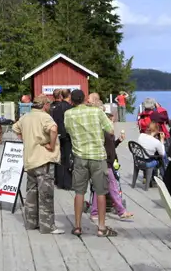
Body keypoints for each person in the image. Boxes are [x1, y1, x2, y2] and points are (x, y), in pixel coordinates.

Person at [65, 89, 117, 237]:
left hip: (80, 157)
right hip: (98, 156)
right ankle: (101, 227)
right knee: (100, 192)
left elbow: (68, 131)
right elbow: (111, 130)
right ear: (84, 99)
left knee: (79, 192)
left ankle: (77, 226)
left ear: (72, 101)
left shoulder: (68, 114)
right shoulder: (96, 112)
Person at [12, 96, 64, 234]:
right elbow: (53, 129)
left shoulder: (25, 117)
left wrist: (25, 139)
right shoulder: (45, 117)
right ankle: (47, 226)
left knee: (31, 192)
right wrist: (51, 145)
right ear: (45, 105)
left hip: (30, 159)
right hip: (43, 159)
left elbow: (15, 128)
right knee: (45, 193)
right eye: (49, 104)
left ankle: (31, 222)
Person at [89, 110, 133, 221]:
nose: (113, 124)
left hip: (103, 162)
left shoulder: (105, 133)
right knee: (113, 187)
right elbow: (108, 149)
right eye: (111, 121)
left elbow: (111, 147)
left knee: (98, 188)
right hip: (106, 163)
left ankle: (94, 212)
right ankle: (121, 211)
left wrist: (118, 141)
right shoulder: (106, 133)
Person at [50, 89, 73, 190]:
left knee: (59, 159)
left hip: (58, 134)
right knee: (68, 159)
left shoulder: (55, 107)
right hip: (67, 136)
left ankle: (59, 181)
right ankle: (67, 183)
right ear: (69, 96)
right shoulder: (69, 108)